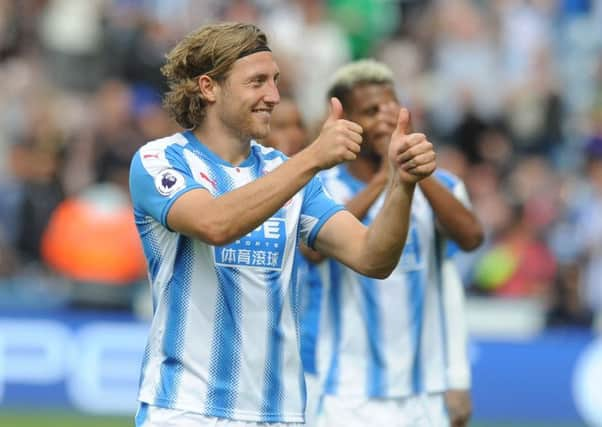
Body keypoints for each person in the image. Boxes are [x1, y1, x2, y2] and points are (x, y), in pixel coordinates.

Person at [128, 23, 436, 427]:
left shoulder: (284, 173)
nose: (273, 96)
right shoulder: (161, 161)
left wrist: (401, 183)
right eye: (257, 82)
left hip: (280, 414)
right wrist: (312, 159)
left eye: (275, 81)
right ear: (208, 87)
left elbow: (372, 257)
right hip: (187, 410)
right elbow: (214, 224)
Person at [311, 60, 483, 427]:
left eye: (392, 107)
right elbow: (311, 253)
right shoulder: (324, 187)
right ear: (347, 123)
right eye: (371, 111)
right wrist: (384, 181)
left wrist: (416, 174)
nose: (386, 119)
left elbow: (471, 238)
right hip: (349, 392)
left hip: (426, 390)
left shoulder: (442, 185)